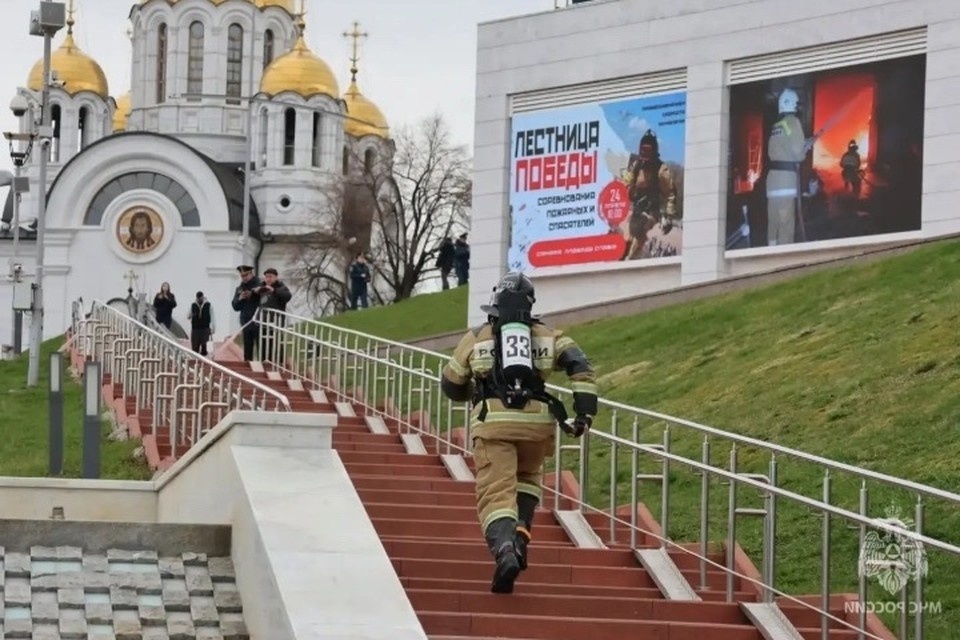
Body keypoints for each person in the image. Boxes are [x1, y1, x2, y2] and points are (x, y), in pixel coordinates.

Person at [440, 272, 598, 594]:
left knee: (495, 494)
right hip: (536, 427)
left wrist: (475, 388)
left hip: (494, 425)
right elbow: (580, 366)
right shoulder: (550, 336)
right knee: (526, 481)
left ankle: (505, 551)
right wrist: (584, 414)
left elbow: (451, 384)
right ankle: (521, 539)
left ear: (496, 302)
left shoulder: (477, 336)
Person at [623, 129, 678, 259]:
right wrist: (629, 190)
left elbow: (671, 194)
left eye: (648, 150)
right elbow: (625, 181)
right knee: (623, 242)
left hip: (651, 214)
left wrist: (669, 216)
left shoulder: (661, 170)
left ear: (654, 151)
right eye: (643, 149)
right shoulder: (636, 165)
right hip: (635, 212)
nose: (644, 153)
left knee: (634, 248)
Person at [765, 88, 811, 246]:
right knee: (786, 227)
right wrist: (805, 149)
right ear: (793, 105)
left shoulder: (777, 125)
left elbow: (784, 148)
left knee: (773, 223)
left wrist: (803, 144)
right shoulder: (793, 122)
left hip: (772, 182)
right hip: (785, 182)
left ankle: (770, 252)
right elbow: (797, 153)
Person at [257, 268, 293, 364]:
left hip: (276, 320)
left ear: (276, 277)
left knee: (276, 341)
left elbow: (287, 296)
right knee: (263, 341)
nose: (268, 279)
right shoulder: (262, 287)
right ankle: (264, 360)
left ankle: (279, 361)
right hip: (262, 320)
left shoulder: (281, 287)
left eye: (270, 277)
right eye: (266, 277)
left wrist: (274, 291)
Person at [231, 265, 262, 361]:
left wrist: (253, 294)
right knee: (247, 347)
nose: (244, 278)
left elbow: (264, 299)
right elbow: (235, 306)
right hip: (246, 321)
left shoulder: (259, 285)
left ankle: (262, 364)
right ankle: (248, 363)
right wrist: (240, 299)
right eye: (242, 276)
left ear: (251, 274)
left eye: (246, 275)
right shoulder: (240, 289)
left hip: (259, 321)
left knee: (261, 346)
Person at [188, 291, 214, 356]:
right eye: (198, 298)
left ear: (203, 297)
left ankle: (204, 361)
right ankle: (195, 361)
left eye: (200, 298)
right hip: (195, 328)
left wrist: (213, 327)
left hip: (205, 328)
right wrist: (192, 315)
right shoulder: (193, 305)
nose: (199, 299)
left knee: (204, 347)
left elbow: (212, 317)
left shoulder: (208, 305)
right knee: (195, 347)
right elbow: (188, 316)